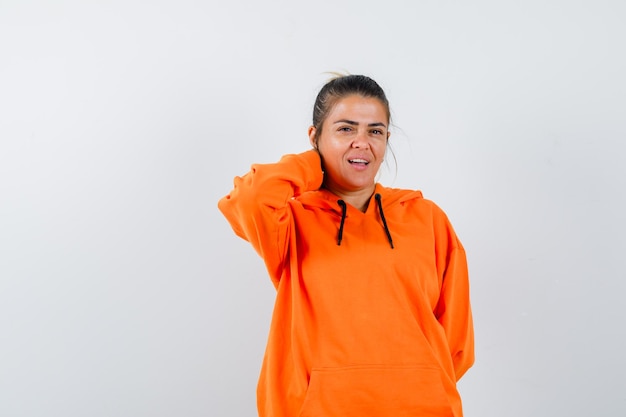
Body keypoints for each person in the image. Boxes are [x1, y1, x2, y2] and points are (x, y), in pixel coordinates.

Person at [218, 74, 474, 417]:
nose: (362, 142)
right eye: (345, 129)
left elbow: (456, 344)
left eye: (375, 131)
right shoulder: (291, 221)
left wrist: (417, 383)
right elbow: (250, 197)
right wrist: (314, 163)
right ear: (315, 136)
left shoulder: (427, 219)